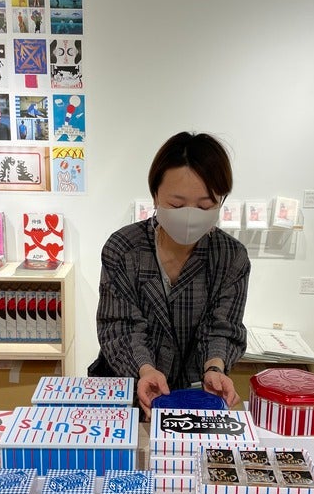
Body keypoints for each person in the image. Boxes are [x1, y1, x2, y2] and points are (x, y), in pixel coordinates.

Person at [89, 131, 250, 419]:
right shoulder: (124, 248)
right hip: (127, 389)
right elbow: (120, 326)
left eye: (205, 206)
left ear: (221, 201)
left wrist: (215, 367)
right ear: (155, 195)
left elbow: (223, 327)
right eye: (176, 205)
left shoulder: (230, 256)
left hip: (194, 395)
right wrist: (145, 369)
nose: (190, 215)